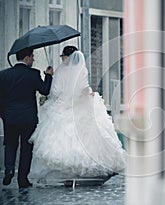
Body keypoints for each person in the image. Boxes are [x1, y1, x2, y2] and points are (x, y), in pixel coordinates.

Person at [28, 46, 126, 184]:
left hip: (62, 108)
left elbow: (55, 92)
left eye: (62, 56)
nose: (61, 59)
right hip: (80, 107)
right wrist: (88, 93)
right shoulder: (82, 70)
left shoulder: (61, 71)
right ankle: (85, 173)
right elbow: (83, 89)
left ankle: (67, 174)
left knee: (63, 140)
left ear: (66, 57)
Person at [0, 48, 53, 188]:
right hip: (28, 118)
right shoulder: (33, 74)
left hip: (10, 117)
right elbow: (45, 90)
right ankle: (22, 180)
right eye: (33, 56)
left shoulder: (4, 75)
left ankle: (9, 169)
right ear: (27, 58)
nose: (34, 59)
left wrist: (4, 115)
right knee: (26, 149)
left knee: (10, 144)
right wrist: (48, 76)